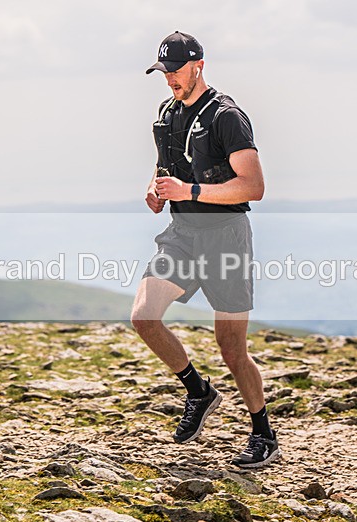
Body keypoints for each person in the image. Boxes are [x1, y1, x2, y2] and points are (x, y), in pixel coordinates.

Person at [130, 31, 279, 469]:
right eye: (164, 72)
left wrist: (189, 189)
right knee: (144, 316)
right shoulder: (166, 113)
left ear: (199, 65)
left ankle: (263, 434)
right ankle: (199, 391)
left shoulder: (226, 116)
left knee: (232, 349)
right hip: (182, 232)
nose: (170, 80)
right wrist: (157, 190)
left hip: (225, 235)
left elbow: (253, 186)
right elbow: (166, 166)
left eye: (175, 71)